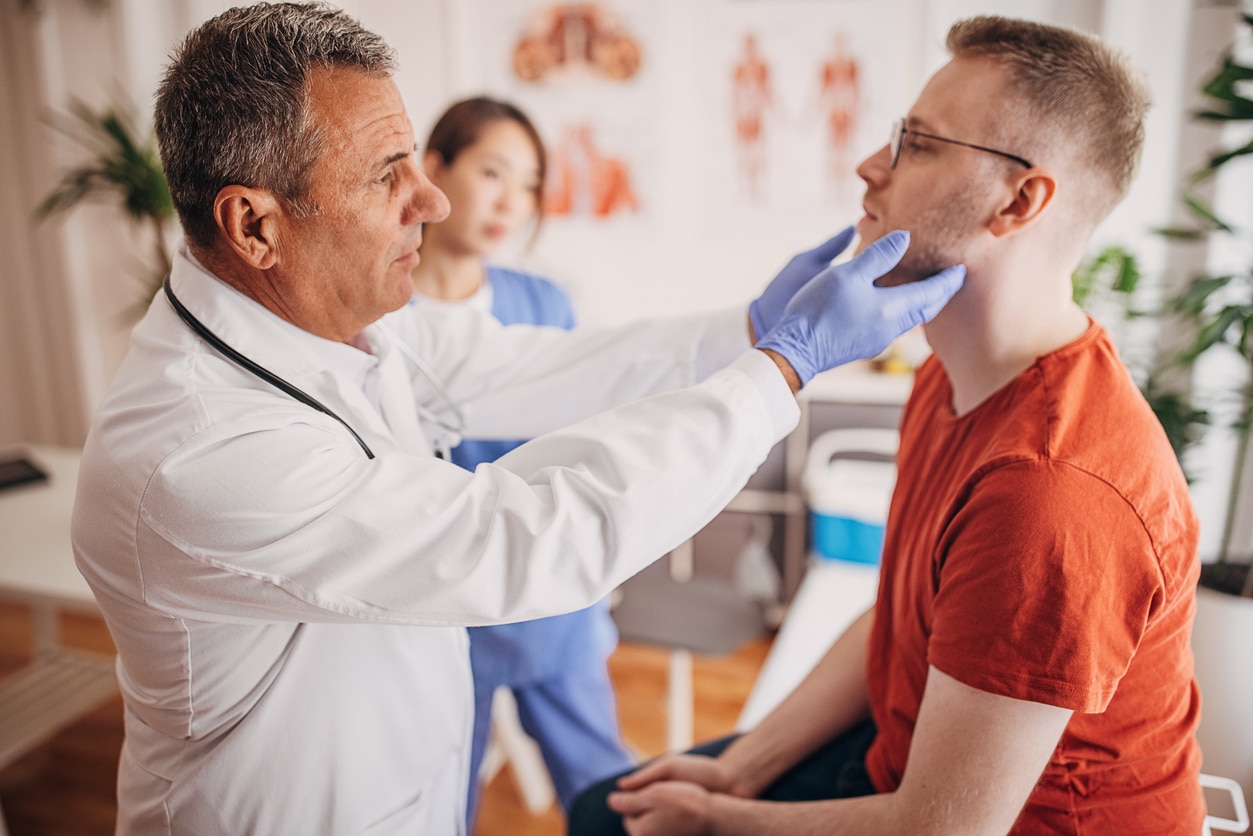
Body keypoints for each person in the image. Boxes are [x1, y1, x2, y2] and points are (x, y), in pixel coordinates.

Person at [69, 3, 962, 833]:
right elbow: (520, 538)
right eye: (389, 176)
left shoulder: (342, 326)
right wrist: (779, 372)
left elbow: (534, 361)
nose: (435, 200)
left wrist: (746, 331)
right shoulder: (197, 450)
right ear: (254, 226)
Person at [569, 15, 1204, 836]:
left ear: (1019, 200)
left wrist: (719, 819)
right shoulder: (950, 375)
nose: (871, 167)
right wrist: (737, 769)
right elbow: (904, 619)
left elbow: (937, 830)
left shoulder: (1050, 492)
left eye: (919, 144)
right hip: (905, 766)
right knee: (606, 809)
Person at [410, 96, 634, 827]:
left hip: (550, 602)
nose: (512, 200)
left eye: (529, 182)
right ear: (432, 168)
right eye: (492, 172)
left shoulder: (543, 302)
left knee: (604, 790)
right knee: (438, 804)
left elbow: (584, 440)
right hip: (436, 613)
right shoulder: (379, 314)